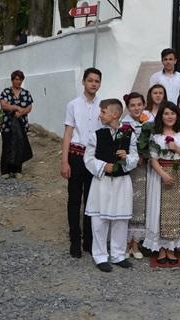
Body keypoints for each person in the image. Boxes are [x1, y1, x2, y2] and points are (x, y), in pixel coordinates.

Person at [84, 99, 139, 272]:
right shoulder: (96, 135)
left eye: (103, 111)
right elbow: (88, 158)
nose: (100, 115)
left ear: (114, 114)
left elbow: (135, 158)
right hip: (102, 182)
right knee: (100, 220)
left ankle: (118, 254)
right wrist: (102, 166)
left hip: (122, 182)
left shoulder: (129, 134)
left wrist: (126, 158)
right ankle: (100, 256)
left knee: (121, 219)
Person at [144, 103, 180, 264]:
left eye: (173, 113)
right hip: (160, 174)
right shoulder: (155, 136)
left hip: (179, 172)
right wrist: (163, 175)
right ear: (161, 116)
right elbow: (153, 159)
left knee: (176, 210)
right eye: (166, 113)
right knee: (159, 208)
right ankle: (160, 247)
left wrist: (176, 148)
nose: (170, 116)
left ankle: (171, 247)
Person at [61, 67, 102, 258]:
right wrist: (64, 161)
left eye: (97, 81)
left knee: (91, 201)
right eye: (90, 80)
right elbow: (68, 133)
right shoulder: (73, 105)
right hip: (76, 156)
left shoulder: (103, 106)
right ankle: (75, 241)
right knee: (74, 199)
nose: (93, 84)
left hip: (93, 157)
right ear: (83, 82)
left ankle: (89, 240)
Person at [121, 92, 153, 259]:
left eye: (139, 105)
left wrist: (145, 154)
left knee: (141, 204)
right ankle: (125, 243)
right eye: (132, 105)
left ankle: (136, 243)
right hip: (129, 168)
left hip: (145, 167)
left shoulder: (149, 121)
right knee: (130, 202)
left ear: (144, 105)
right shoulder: (124, 124)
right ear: (128, 107)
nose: (136, 108)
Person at [0, 70, 33, 178]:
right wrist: (16, 107)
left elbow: (29, 107)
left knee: (19, 146)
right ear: (12, 80)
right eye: (16, 79)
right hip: (7, 124)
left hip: (21, 124)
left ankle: (17, 170)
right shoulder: (6, 92)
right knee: (7, 146)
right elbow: (4, 105)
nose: (18, 82)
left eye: (20, 79)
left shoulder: (26, 93)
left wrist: (21, 112)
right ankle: (5, 171)